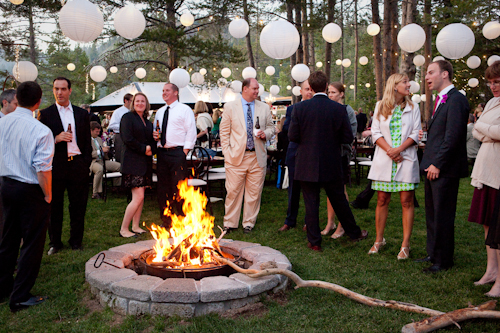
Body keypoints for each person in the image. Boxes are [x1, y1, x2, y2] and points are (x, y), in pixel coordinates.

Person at [288, 71, 368, 251]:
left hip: (306, 162)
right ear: (325, 87)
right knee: (339, 200)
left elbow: (293, 136)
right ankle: (354, 233)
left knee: (311, 203)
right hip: (331, 162)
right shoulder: (338, 109)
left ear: (312, 88)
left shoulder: (300, 109)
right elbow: (347, 137)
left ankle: (314, 242)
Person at [0, 81, 54, 312]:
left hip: (5, 186)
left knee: (8, 239)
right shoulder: (41, 130)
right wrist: (48, 195)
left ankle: (3, 288)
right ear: (38, 102)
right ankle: (20, 296)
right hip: (29, 189)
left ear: (17, 99)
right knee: (32, 242)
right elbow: (42, 169)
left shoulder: (2, 123)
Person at [417, 60, 469, 272]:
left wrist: (437, 163)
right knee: (432, 214)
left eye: (431, 72)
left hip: (444, 169)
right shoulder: (441, 100)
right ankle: (433, 254)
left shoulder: (457, 100)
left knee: (443, 215)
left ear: (445, 74)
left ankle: (443, 260)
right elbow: (442, 134)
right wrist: (427, 136)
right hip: (433, 166)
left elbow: (453, 137)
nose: (427, 77)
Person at [366, 73, 421, 260]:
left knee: (407, 201)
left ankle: (405, 244)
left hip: (405, 159)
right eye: (405, 82)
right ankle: (379, 240)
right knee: (382, 199)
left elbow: (415, 133)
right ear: (394, 86)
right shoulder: (380, 106)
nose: (409, 84)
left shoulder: (414, 107)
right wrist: (391, 151)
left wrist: (399, 150)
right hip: (385, 159)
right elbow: (375, 132)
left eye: (408, 82)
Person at [38, 77, 92, 255]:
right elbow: (40, 143)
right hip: (57, 165)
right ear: (53, 91)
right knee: (55, 206)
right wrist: (56, 138)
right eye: (56, 89)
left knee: (78, 205)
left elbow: (86, 142)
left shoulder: (81, 114)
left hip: (77, 164)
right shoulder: (45, 114)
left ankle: (76, 241)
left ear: (70, 91)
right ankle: (55, 242)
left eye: (63, 89)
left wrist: (85, 164)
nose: (59, 92)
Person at [220, 78, 275, 234]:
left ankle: (248, 223)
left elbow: (272, 127)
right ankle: (230, 223)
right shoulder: (230, 107)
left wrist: (267, 134)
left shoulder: (264, 107)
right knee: (233, 191)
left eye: (258, 89)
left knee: (254, 192)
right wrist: (227, 152)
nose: (257, 91)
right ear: (245, 89)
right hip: (236, 156)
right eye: (254, 88)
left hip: (257, 156)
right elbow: (224, 132)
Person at [468, 60, 500, 289]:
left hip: (498, 171)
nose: (493, 86)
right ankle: (491, 270)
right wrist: (489, 132)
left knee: (498, 225)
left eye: (497, 82)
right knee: (487, 222)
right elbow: (477, 131)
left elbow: (482, 129)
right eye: (490, 82)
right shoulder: (491, 102)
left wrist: (484, 130)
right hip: (484, 168)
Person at [153, 83, 196, 228]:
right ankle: (167, 221)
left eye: (167, 90)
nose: (164, 93)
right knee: (163, 188)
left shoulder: (184, 110)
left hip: (177, 153)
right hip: (162, 153)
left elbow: (191, 130)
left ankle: (183, 220)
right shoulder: (160, 111)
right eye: (163, 91)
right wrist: (155, 137)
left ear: (176, 92)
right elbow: (157, 130)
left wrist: (184, 151)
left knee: (179, 187)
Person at [322, 82, 357, 238]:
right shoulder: (328, 109)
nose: (330, 95)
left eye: (334, 92)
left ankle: (342, 225)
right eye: (329, 92)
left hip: (341, 155)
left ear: (342, 94)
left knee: (340, 191)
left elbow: (351, 134)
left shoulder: (347, 110)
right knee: (330, 191)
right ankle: (331, 222)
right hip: (329, 155)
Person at [278, 80, 314, 232]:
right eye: (307, 89)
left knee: (310, 191)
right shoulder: (292, 109)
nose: (309, 92)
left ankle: (309, 221)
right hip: (294, 154)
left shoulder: (317, 109)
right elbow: (287, 130)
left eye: (312, 89)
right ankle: (290, 220)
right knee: (292, 190)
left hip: (311, 155)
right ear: (301, 91)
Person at [119, 93, 155, 237]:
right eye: (137, 101)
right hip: (133, 161)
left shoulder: (147, 121)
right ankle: (124, 229)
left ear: (146, 104)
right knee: (138, 197)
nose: (140, 103)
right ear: (133, 103)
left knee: (141, 196)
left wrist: (152, 147)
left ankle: (135, 226)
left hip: (145, 162)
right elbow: (127, 138)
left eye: (143, 101)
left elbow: (151, 139)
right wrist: (144, 148)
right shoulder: (127, 118)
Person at [89, 121, 121, 199]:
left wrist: (106, 151)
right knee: (99, 169)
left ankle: (116, 186)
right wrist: (101, 151)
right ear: (91, 131)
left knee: (119, 166)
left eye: (99, 132)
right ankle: (96, 192)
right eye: (96, 132)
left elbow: (103, 152)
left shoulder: (99, 139)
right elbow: (89, 154)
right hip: (92, 162)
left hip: (102, 160)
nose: (98, 133)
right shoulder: (86, 141)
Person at [108, 93, 133, 163]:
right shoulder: (118, 112)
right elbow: (112, 125)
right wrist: (124, 127)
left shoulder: (133, 111)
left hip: (131, 136)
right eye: (131, 101)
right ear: (126, 101)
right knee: (121, 156)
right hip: (120, 136)